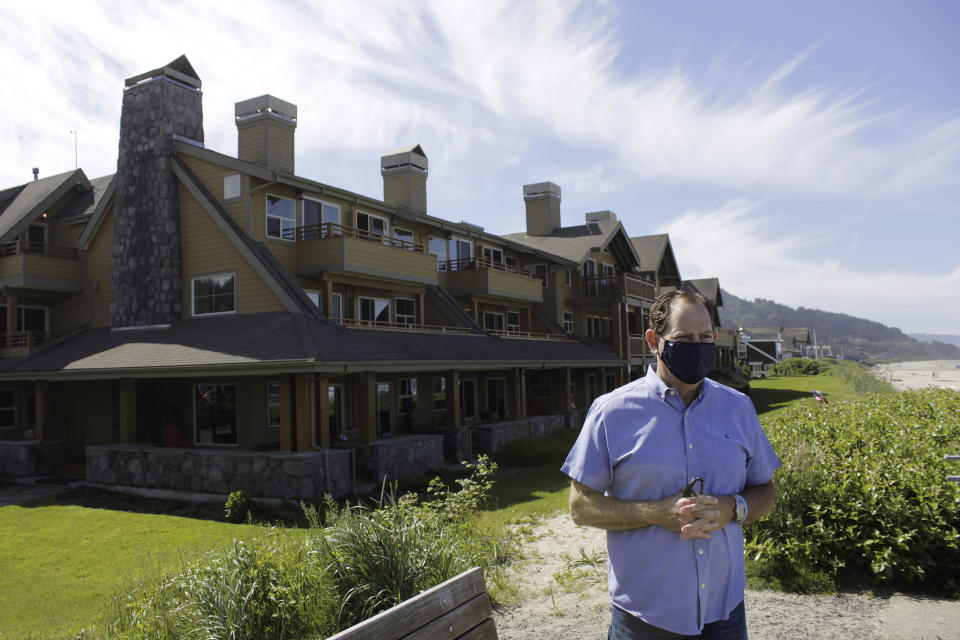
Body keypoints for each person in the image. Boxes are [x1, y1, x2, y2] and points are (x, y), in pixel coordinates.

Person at [562, 290, 780, 639]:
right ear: (654, 341)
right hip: (645, 617)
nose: (698, 347)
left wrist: (731, 508)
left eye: (705, 337)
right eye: (683, 339)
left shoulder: (738, 409)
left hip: (724, 614)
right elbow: (581, 508)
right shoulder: (612, 412)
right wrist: (654, 513)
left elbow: (765, 491)